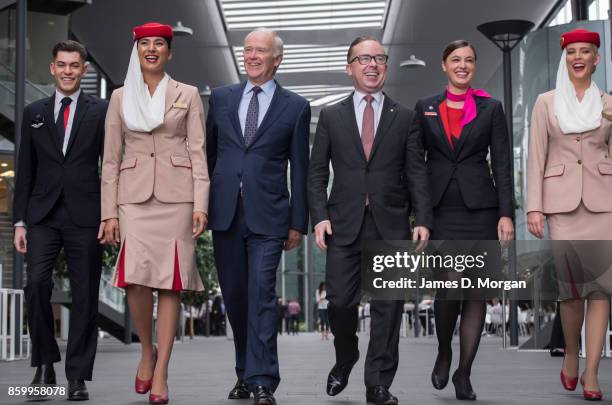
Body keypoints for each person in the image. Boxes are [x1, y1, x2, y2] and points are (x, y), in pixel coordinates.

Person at [307, 36, 432, 405]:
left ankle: (378, 383)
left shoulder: (405, 117)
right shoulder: (331, 116)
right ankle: (346, 356)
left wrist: (421, 217)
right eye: (364, 58)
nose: (372, 64)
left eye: (379, 58)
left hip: (391, 221)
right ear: (350, 67)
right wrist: (319, 218)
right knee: (341, 303)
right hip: (342, 222)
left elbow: (417, 173)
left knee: (388, 305)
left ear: (386, 67)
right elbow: (316, 174)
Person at [100, 22, 209, 404]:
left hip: (178, 199)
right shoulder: (119, 97)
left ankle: (161, 370)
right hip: (132, 198)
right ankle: (147, 350)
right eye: (144, 43)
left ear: (169, 52)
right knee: (136, 280)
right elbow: (111, 159)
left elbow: (198, 152)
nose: (151, 49)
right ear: (137, 50)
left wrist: (201, 204)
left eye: (159, 44)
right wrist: (108, 213)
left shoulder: (188, 94)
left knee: (171, 282)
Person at [206, 27, 310, 405]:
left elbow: (300, 167)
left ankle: (263, 379)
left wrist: (298, 222)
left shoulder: (295, 106)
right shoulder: (219, 99)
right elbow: (210, 157)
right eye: (247, 50)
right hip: (225, 215)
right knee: (235, 299)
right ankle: (244, 375)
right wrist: (203, 207)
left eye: (260, 51)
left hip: (269, 217)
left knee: (262, 295)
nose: (251, 56)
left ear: (276, 59)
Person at [413, 39, 514, 400]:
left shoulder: (490, 108)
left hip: (481, 211)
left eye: (469, 60)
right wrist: (420, 215)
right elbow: (416, 166)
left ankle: (464, 374)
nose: (463, 65)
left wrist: (506, 213)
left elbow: (502, 164)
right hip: (440, 212)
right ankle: (444, 349)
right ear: (444, 65)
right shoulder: (424, 107)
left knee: (476, 293)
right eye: (456, 59)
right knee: (448, 288)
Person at [12, 40, 107, 401]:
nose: (68, 71)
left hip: (87, 214)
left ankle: (78, 376)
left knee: (85, 295)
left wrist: (110, 214)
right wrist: (19, 221)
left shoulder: (101, 110)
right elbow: (25, 171)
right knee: (36, 285)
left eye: (74, 65)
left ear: (84, 70)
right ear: (52, 68)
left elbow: (110, 166)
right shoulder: (33, 111)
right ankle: (44, 364)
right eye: (62, 64)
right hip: (42, 215)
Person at [527, 29, 612, 401]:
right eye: (572, 52)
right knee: (571, 291)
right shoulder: (547, 103)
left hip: (604, 204)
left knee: (602, 290)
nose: (578, 57)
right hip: (561, 206)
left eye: (586, 51)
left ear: (597, 59)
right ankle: (572, 355)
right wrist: (534, 206)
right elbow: (535, 157)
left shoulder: (609, 104)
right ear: (566, 58)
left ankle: (592, 373)